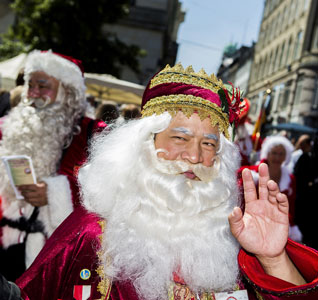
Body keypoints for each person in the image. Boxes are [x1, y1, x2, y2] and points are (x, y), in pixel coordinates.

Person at [6, 64, 318, 299]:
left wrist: (274, 259)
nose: (194, 156)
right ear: (143, 144)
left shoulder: (237, 241)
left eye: (209, 144)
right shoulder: (90, 235)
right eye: (180, 138)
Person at [0, 50, 106, 280]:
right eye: (30, 84)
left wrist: (54, 192)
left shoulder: (94, 132)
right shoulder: (10, 124)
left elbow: (106, 194)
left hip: (53, 253)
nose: (33, 92)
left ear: (67, 91)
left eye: (43, 85)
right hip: (5, 241)